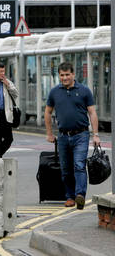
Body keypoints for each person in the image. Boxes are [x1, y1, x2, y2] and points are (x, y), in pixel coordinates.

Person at [45, 62, 100, 210]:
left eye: (67, 75)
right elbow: (48, 112)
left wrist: (96, 135)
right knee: (66, 169)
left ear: (73, 74)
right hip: (63, 136)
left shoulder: (84, 91)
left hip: (81, 134)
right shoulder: (54, 92)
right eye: (62, 75)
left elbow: (92, 112)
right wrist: (49, 133)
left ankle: (80, 195)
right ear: (59, 76)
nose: (64, 78)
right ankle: (70, 196)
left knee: (79, 165)